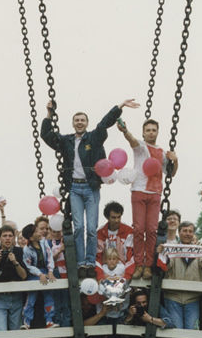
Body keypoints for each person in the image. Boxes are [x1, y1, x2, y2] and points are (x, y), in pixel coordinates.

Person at [41, 98, 140, 277]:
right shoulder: (66, 141)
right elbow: (46, 135)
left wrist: (119, 107)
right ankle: (81, 262)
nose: (79, 122)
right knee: (79, 226)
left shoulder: (93, 138)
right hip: (74, 188)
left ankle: (90, 261)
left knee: (91, 228)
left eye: (82, 120)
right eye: (76, 120)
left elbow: (104, 124)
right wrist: (49, 114)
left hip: (90, 187)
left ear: (86, 123)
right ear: (73, 123)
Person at [117, 119, 178, 280]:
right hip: (139, 190)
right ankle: (139, 264)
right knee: (139, 229)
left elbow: (170, 173)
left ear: (157, 132)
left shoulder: (162, 153)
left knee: (151, 230)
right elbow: (131, 139)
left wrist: (175, 160)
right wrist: (125, 130)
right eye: (148, 130)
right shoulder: (141, 147)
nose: (151, 133)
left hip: (155, 192)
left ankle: (149, 265)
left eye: (153, 130)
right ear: (143, 133)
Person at [21, 219, 58, 329]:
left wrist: (50, 271)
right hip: (34, 274)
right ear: (31, 237)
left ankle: (49, 320)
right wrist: (39, 274)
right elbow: (28, 266)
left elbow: (50, 257)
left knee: (49, 296)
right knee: (31, 298)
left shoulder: (44, 242)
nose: (39, 233)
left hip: (46, 271)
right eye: (36, 232)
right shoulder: (26, 249)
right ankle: (26, 321)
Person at [96, 201, 135, 279]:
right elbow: (97, 257)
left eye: (119, 217)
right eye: (113, 217)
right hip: (105, 270)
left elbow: (131, 256)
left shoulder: (129, 231)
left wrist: (126, 276)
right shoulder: (100, 232)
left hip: (123, 270)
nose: (117, 220)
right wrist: (100, 276)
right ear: (107, 217)